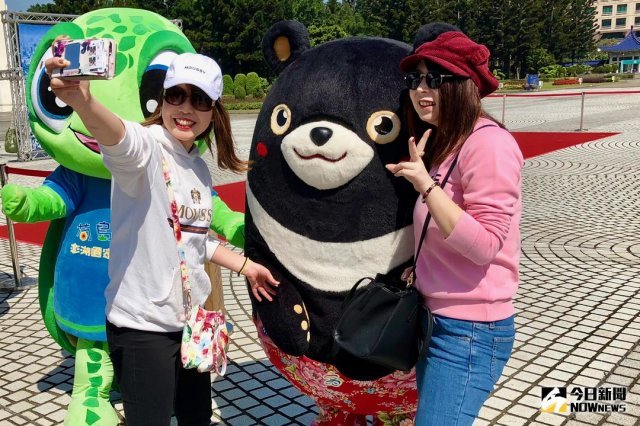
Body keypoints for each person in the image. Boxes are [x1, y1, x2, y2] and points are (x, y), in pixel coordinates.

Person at [45, 49, 279, 426]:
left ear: (214, 111)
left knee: (196, 417)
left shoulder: (198, 167)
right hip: (142, 326)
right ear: (163, 99)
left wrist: (246, 266)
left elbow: (194, 241)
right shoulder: (147, 148)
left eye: (199, 99)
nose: (186, 108)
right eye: (176, 95)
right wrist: (83, 101)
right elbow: (120, 138)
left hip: (190, 320)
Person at [385, 31, 523, 425]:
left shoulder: (489, 144)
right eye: (414, 79)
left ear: (464, 85)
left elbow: (486, 245)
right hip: (437, 320)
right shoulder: (449, 144)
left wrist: (425, 187)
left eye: (434, 78)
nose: (420, 89)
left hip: (471, 332)